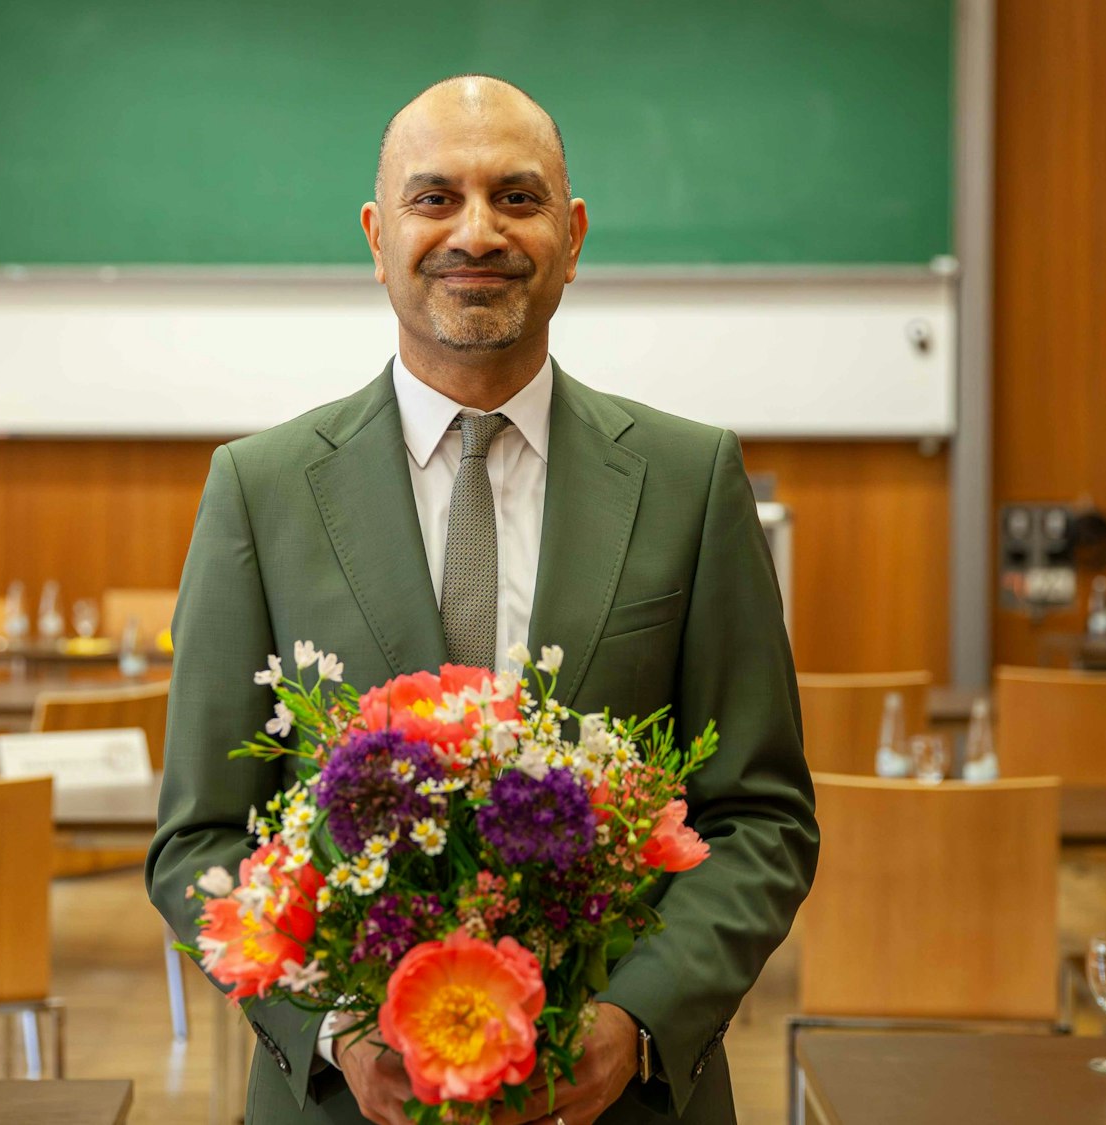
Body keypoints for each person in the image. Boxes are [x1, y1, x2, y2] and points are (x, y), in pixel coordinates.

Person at [145, 74, 817, 1125]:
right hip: (342, 1102)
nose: (476, 232)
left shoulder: (689, 483)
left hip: (623, 1102)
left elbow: (760, 818)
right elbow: (199, 842)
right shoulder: (259, 491)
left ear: (572, 233)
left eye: (515, 197)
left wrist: (634, 1021)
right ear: (376, 236)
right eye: (433, 198)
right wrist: (336, 1030)